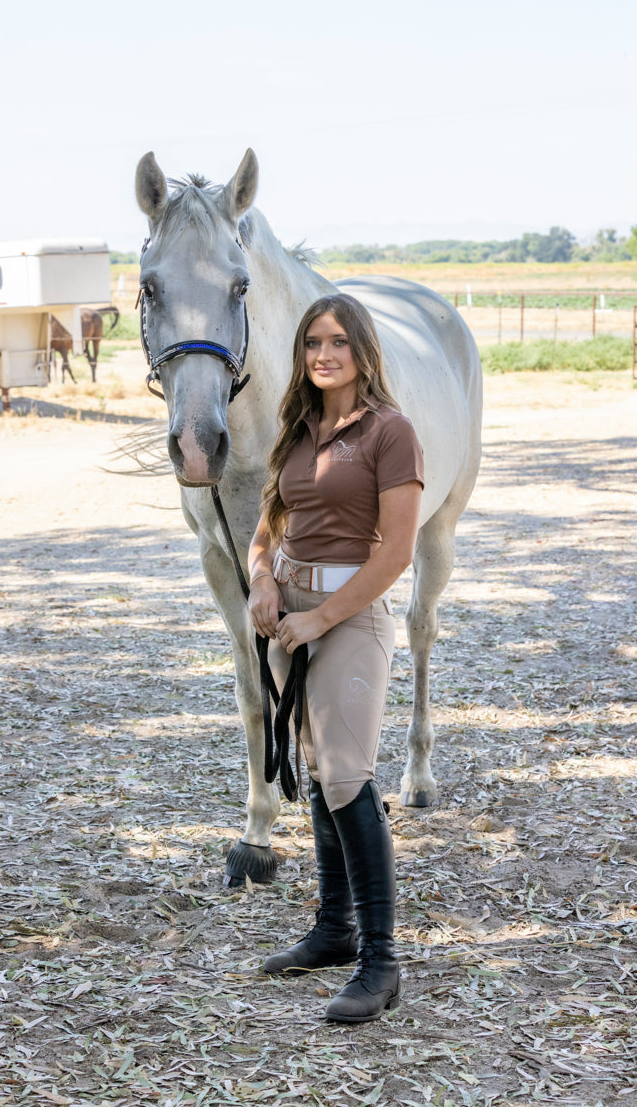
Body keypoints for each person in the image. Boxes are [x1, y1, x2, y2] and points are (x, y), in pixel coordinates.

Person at [247, 292, 424, 1024]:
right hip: (291, 621)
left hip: (348, 619)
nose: (324, 354)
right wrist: (261, 580)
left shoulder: (391, 433)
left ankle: (381, 961)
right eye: (313, 342)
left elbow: (398, 555)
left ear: (362, 351)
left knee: (349, 775)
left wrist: (320, 614)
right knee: (320, 771)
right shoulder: (295, 431)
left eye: (338, 342)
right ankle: (333, 930)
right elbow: (265, 533)